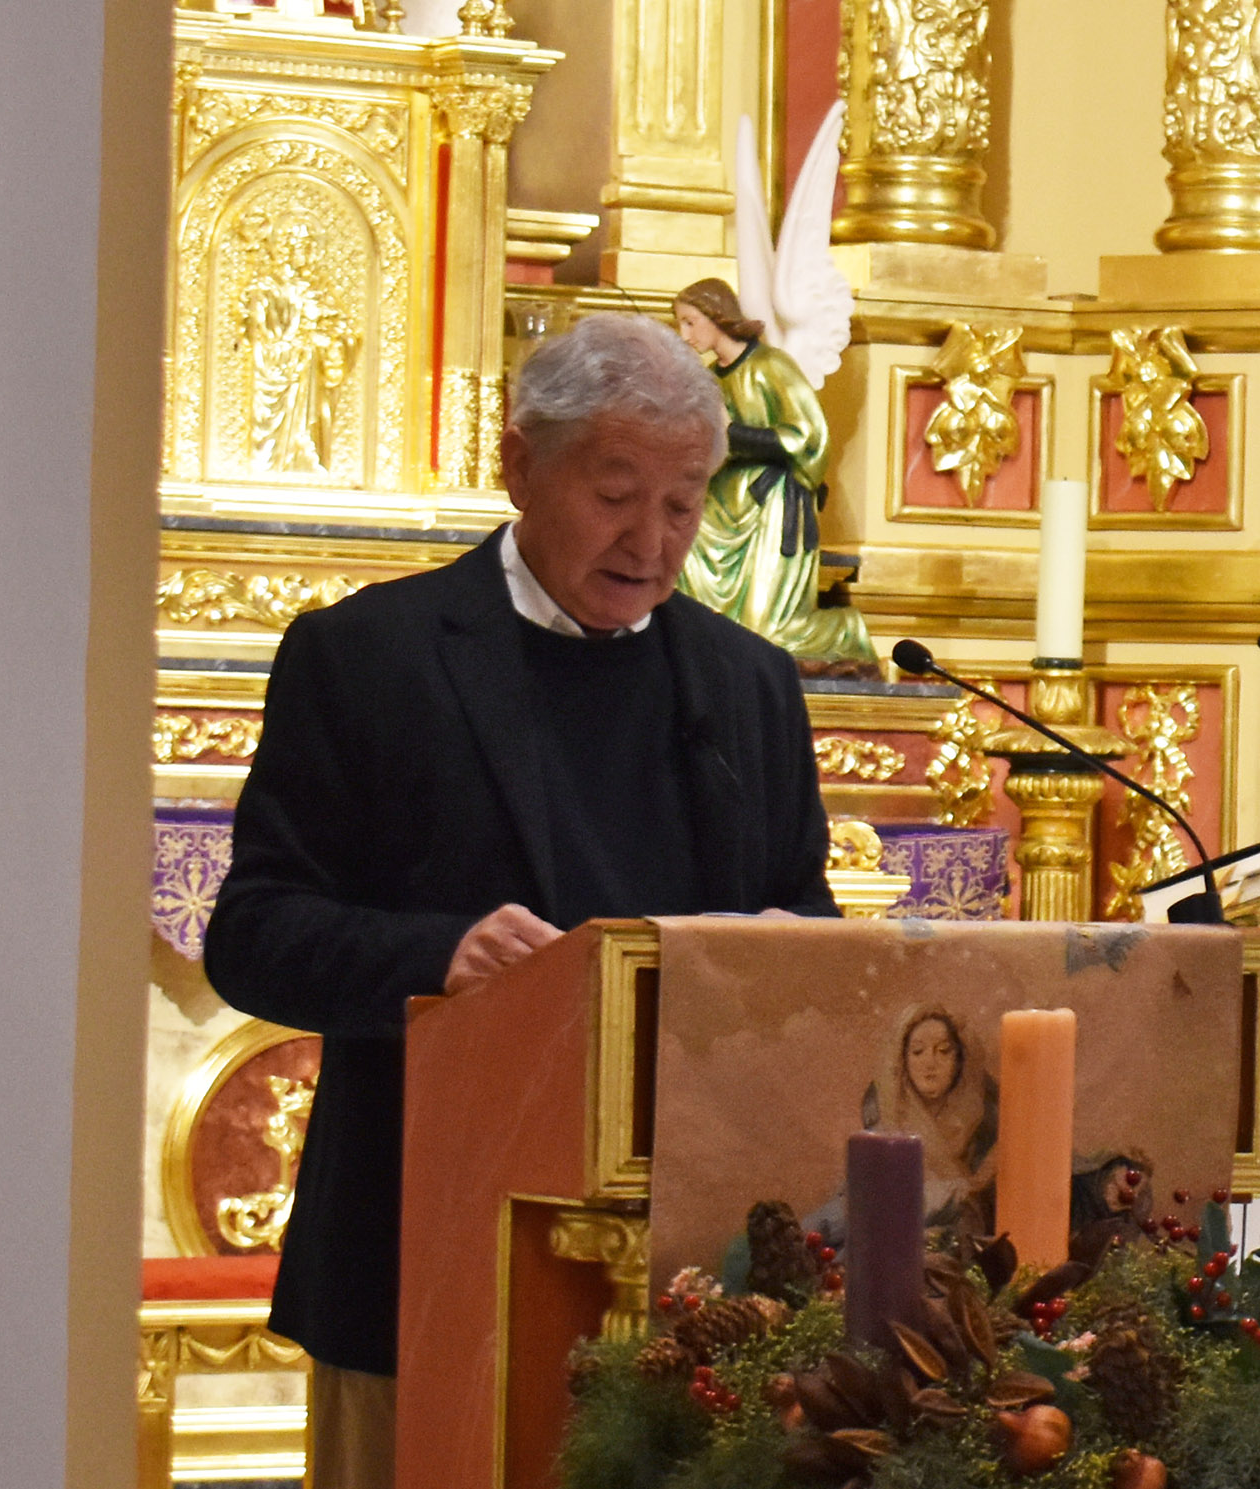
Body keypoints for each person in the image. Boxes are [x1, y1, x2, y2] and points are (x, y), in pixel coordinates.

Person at [203, 312, 840, 1489]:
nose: (651, 540)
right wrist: (440, 953)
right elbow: (251, 936)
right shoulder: (368, 657)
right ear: (518, 466)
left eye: (683, 503)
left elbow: (804, 915)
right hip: (426, 1250)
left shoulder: (745, 684)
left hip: (697, 1277)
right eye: (615, 494)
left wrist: (781, 954)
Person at [670, 278, 875, 665]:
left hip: (771, 502)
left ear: (717, 317)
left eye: (690, 322)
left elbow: (808, 437)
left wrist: (734, 435)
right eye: (680, 323)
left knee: (763, 634)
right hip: (722, 504)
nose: (684, 334)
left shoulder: (770, 367)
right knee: (683, 561)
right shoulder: (711, 380)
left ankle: (847, 631)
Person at [862, 1004, 999, 1230]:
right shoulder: (884, 1115)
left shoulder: (984, 1121)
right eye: (917, 1051)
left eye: (944, 1050)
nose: (930, 1063)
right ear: (902, 1060)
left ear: (960, 1059)